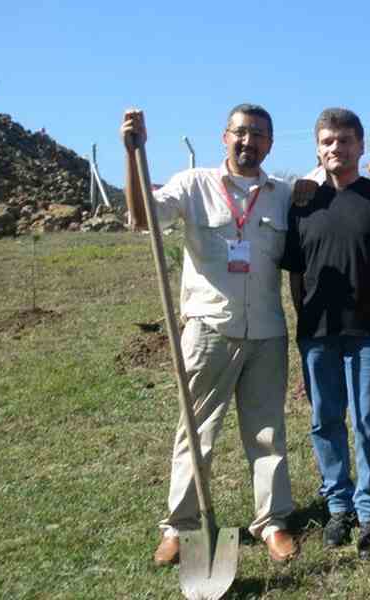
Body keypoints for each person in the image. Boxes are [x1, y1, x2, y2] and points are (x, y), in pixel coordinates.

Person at [120, 103, 298, 567]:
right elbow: (143, 218)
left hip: (266, 331)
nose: (249, 142)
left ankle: (273, 522)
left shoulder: (282, 194)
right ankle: (182, 526)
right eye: (241, 132)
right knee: (195, 432)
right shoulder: (193, 183)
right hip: (208, 329)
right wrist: (130, 154)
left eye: (259, 134)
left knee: (267, 432)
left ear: (270, 143)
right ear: (225, 137)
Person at [282, 108, 370, 561]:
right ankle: (338, 505)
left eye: (344, 141)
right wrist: (303, 320)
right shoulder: (303, 203)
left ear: (360, 146)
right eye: (327, 141)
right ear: (317, 148)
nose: (335, 148)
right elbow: (296, 272)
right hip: (318, 334)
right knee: (325, 421)